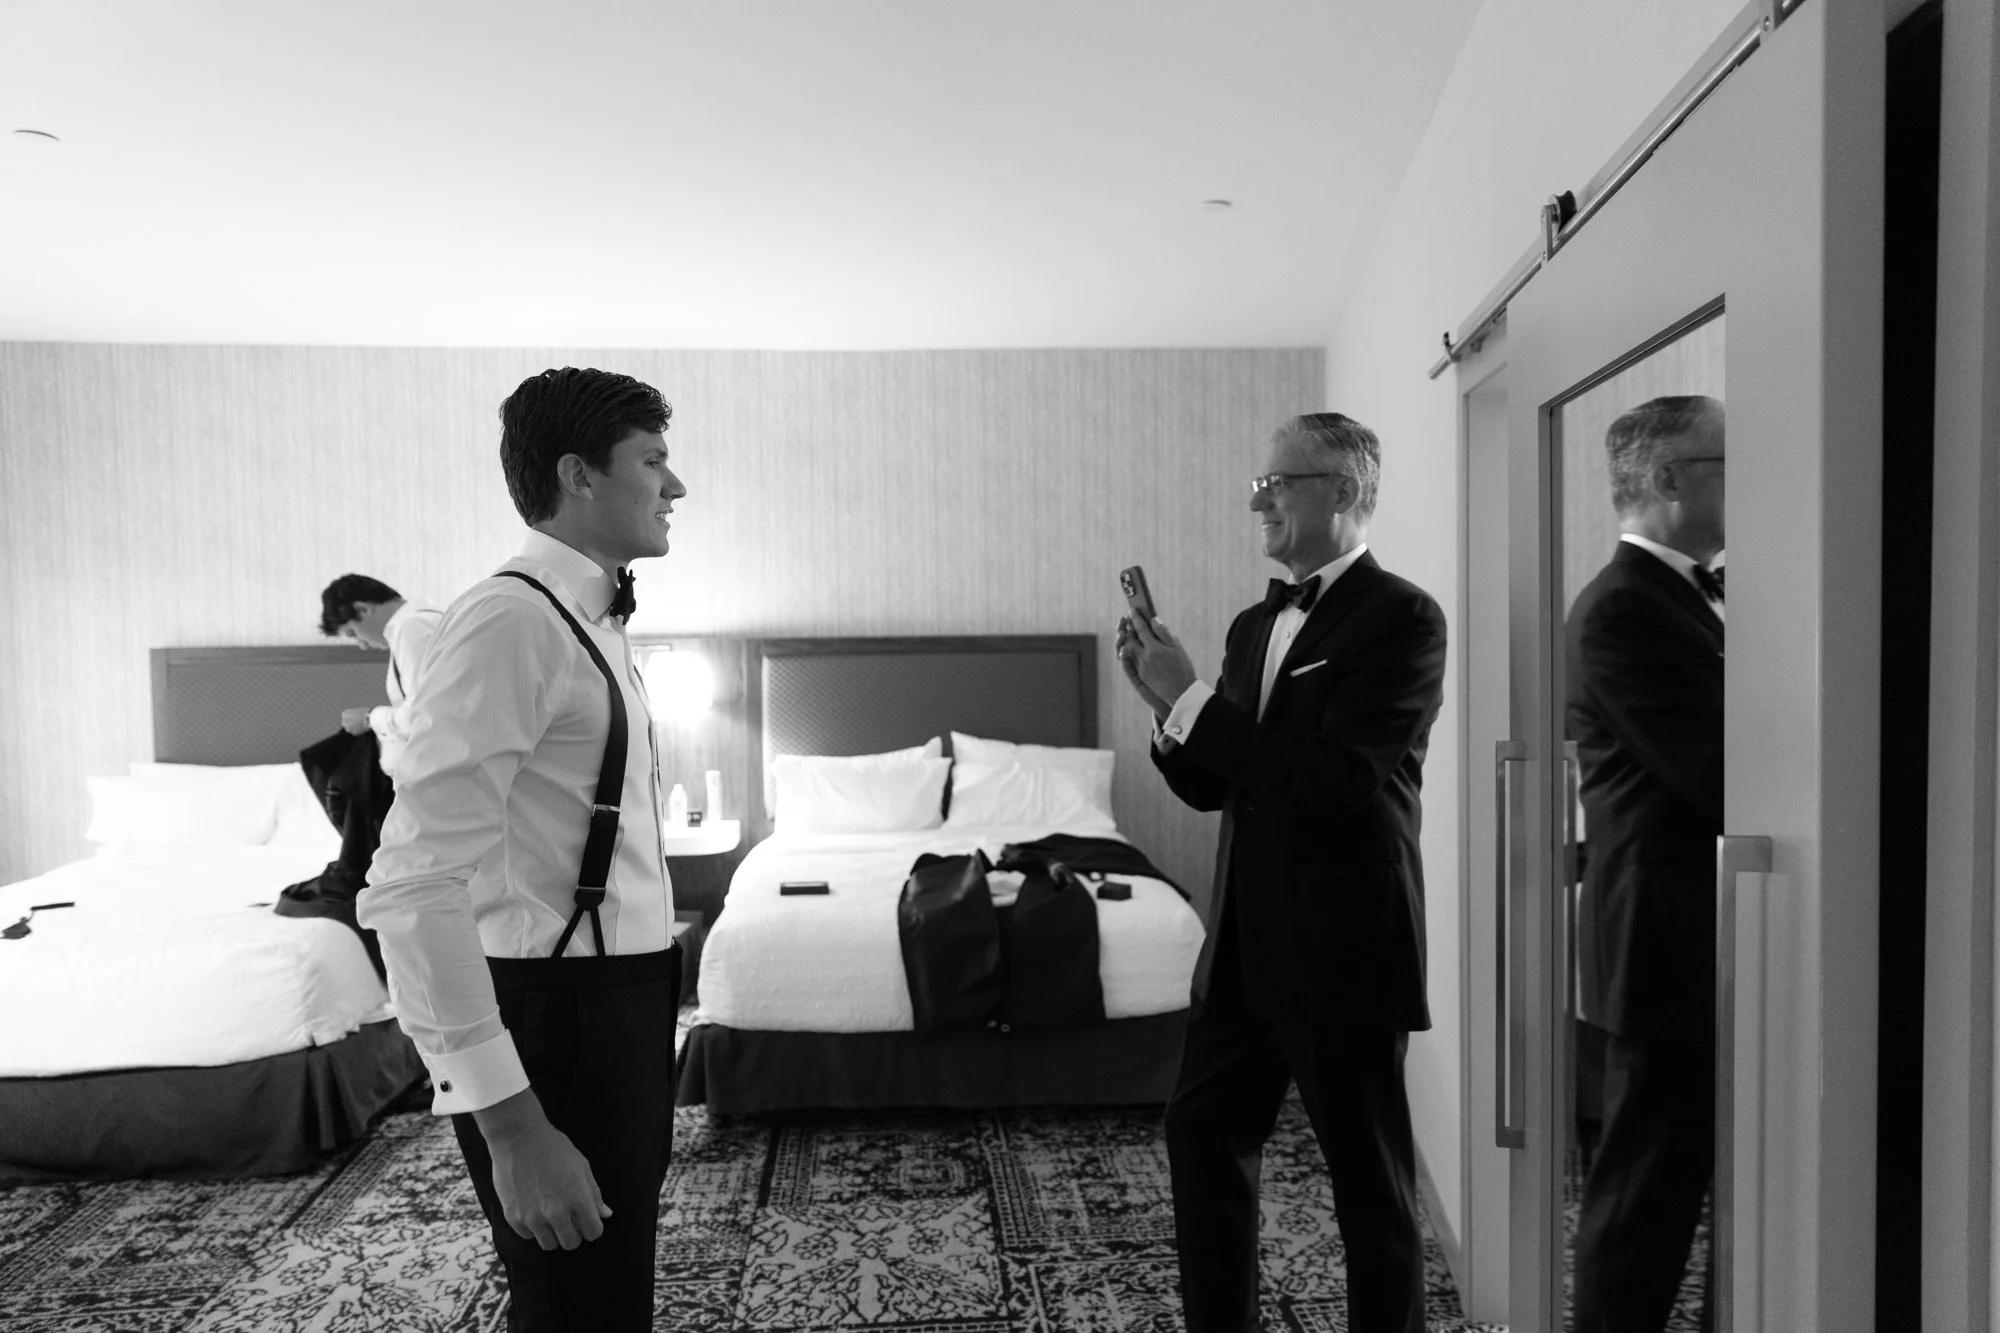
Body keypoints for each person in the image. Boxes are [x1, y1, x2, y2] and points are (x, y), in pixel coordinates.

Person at [359, 367, 687, 1332]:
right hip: (560, 1019)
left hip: (621, 1001)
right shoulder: (511, 620)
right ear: (579, 475)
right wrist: (510, 1124)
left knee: (607, 1294)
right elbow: (413, 881)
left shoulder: (586, 618)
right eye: (653, 461)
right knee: (576, 1303)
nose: (676, 485)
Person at [1118, 411, 1446, 1333]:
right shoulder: (1251, 624)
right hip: (1242, 945)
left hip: (1345, 945)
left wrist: (1192, 698)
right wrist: (1165, 710)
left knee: (1368, 1185)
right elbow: (1212, 785)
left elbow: (1336, 781)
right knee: (1200, 1134)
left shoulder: (1404, 618)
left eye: (1276, 484)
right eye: (1257, 485)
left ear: (1342, 491)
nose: (1257, 501)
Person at [1566, 395, 1725, 1332]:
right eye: (1732, 460)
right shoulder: (1624, 606)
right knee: (1644, 1197)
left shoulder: (1687, 595)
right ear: (1669, 477)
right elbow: (1719, 771)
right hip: (1663, 936)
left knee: (1678, 1175)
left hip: (1706, 927)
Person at [318, 573, 444, 782]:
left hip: (435, 779)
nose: (361, 645)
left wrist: (369, 718)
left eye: (352, 633)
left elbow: (423, 717)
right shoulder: (417, 625)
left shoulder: (413, 629)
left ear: (363, 609)